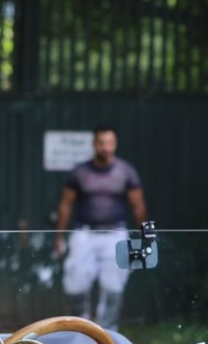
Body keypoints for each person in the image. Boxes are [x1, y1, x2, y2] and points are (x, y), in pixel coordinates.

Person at [53, 126, 148, 332]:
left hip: (116, 234)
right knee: (75, 282)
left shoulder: (126, 171)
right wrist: (59, 238)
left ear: (115, 144)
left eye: (109, 143)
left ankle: (107, 335)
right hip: (84, 234)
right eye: (101, 143)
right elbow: (65, 205)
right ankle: (81, 330)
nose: (105, 147)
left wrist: (144, 237)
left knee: (114, 285)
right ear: (94, 144)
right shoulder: (80, 172)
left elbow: (138, 206)